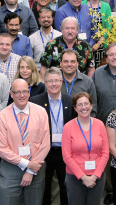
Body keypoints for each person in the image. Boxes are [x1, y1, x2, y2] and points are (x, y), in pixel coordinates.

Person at [0, 79, 50, 204]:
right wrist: (27, 164)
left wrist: (31, 170)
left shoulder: (41, 112)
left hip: (36, 168)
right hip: (11, 170)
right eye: (17, 92)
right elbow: (2, 150)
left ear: (29, 92)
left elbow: (45, 144)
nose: (22, 95)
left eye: (25, 91)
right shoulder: (2, 116)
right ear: (11, 94)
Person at [29, 67, 76, 205]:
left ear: (61, 82)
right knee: (44, 188)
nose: (54, 84)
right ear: (45, 82)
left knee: (66, 187)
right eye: (50, 81)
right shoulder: (35, 101)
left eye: (57, 80)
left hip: (64, 152)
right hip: (44, 153)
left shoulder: (70, 101)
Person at [62, 91, 109, 205]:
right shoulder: (68, 127)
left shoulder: (100, 125)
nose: (84, 107)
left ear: (91, 105)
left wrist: (95, 176)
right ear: (75, 108)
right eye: (80, 104)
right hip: (75, 178)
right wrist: (83, 177)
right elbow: (67, 156)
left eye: (86, 104)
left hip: (97, 177)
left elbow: (105, 152)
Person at [83, 0, 111, 65]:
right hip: (85, 43)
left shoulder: (106, 6)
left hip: (101, 43)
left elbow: (108, 27)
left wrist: (98, 44)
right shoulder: (82, 4)